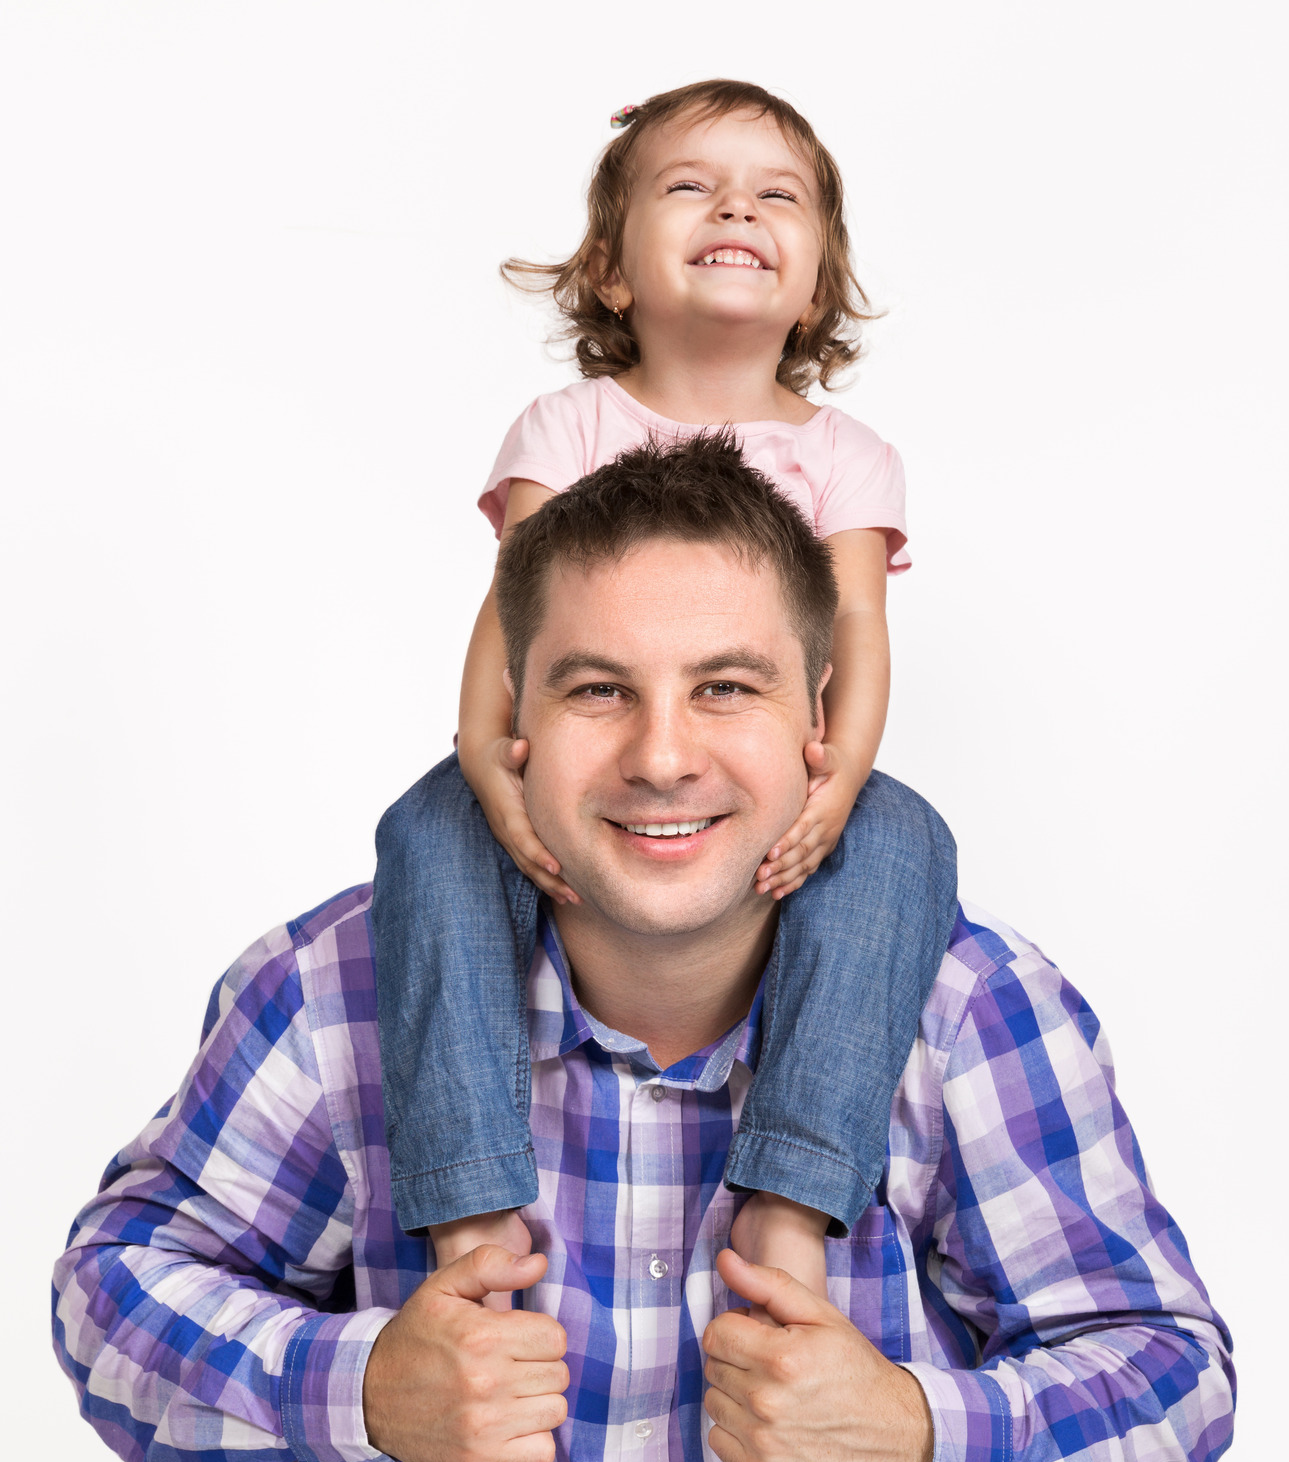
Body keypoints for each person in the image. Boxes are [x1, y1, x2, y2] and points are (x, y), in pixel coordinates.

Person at [18, 436, 1289, 1462]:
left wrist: (918, 1431)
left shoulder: (968, 1003)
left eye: (726, 688)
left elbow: (1165, 1378)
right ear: (510, 726)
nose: (663, 756)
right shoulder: (338, 986)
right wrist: (362, 1387)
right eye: (598, 691)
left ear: (820, 730)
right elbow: (119, 1293)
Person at [373, 76, 957, 1310]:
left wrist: (841, 773)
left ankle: (794, 1198)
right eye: (690, 185)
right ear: (610, 271)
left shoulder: (844, 456)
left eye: (776, 195)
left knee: (904, 835)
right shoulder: (568, 426)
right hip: (561, 763)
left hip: (779, 772)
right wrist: (483, 754)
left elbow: (857, 625)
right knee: (426, 827)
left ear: (815, 286)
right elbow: (511, 612)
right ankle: (470, 1206)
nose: (735, 206)